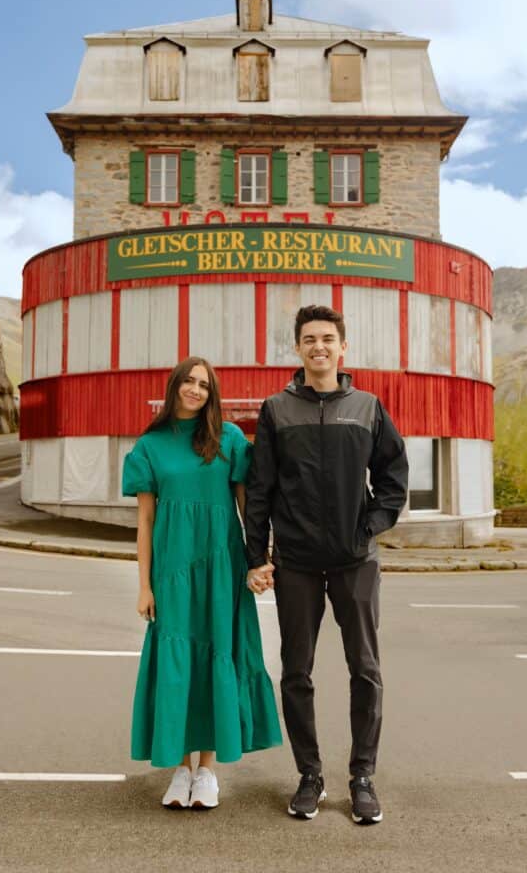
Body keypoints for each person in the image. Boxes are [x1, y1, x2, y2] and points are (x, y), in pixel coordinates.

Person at [244, 304, 408, 825]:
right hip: (294, 563)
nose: (319, 347)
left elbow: (393, 478)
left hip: (354, 560)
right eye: (309, 339)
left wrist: (368, 528)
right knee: (296, 671)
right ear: (297, 349)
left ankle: (362, 777)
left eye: (327, 339)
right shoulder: (277, 410)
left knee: (365, 669)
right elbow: (260, 489)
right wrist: (257, 555)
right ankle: (309, 775)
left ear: (343, 347)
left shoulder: (367, 407)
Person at [122, 356, 281, 809]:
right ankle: (181, 768)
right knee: (178, 668)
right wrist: (144, 585)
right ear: (174, 386)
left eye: (204, 385)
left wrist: (258, 561)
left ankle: (207, 769)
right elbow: (146, 520)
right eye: (189, 382)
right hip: (172, 570)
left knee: (218, 654)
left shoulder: (228, 439)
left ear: (213, 395)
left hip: (221, 567)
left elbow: (250, 507)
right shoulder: (150, 445)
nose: (195, 390)